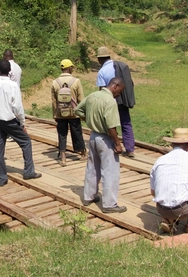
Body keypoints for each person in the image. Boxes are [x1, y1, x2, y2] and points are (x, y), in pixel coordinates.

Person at [75, 77, 127, 213]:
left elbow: (78, 110)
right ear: (115, 86)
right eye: (120, 91)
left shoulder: (93, 95)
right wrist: (117, 143)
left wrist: (90, 120)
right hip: (105, 139)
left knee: (92, 168)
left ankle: (88, 196)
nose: (119, 94)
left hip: (93, 137)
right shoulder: (110, 101)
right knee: (110, 172)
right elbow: (111, 127)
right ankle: (110, 204)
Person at [96, 46, 137, 158]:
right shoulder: (122, 66)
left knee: (110, 125)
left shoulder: (102, 71)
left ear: (99, 59)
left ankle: (112, 146)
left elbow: (102, 90)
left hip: (110, 101)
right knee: (126, 123)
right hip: (123, 99)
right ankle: (130, 150)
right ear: (109, 56)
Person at [51, 59, 86, 167]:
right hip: (74, 112)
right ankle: (82, 153)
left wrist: (55, 114)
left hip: (61, 113)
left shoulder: (55, 82)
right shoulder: (76, 81)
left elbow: (53, 101)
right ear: (69, 68)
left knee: (62, 134)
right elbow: (81, 98)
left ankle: (63, 158)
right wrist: (83, 113)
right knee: (77, 132)